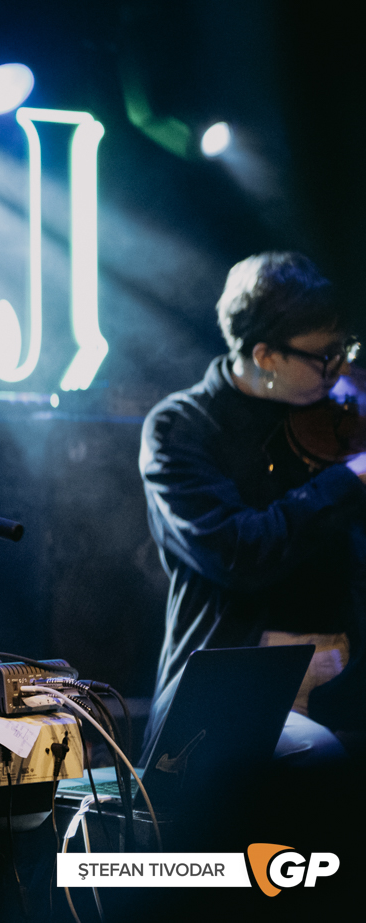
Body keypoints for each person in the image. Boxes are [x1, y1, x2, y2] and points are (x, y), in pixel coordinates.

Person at [140, 251, 366, 755]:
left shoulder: (340, 412)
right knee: (316, 759)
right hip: (237, 690)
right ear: (264, 356)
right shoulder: (182, 428)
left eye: (345, 349)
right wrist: (348, 479)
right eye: (324, 356)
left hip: (346, 686)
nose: (342, 368)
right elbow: (240, 554)